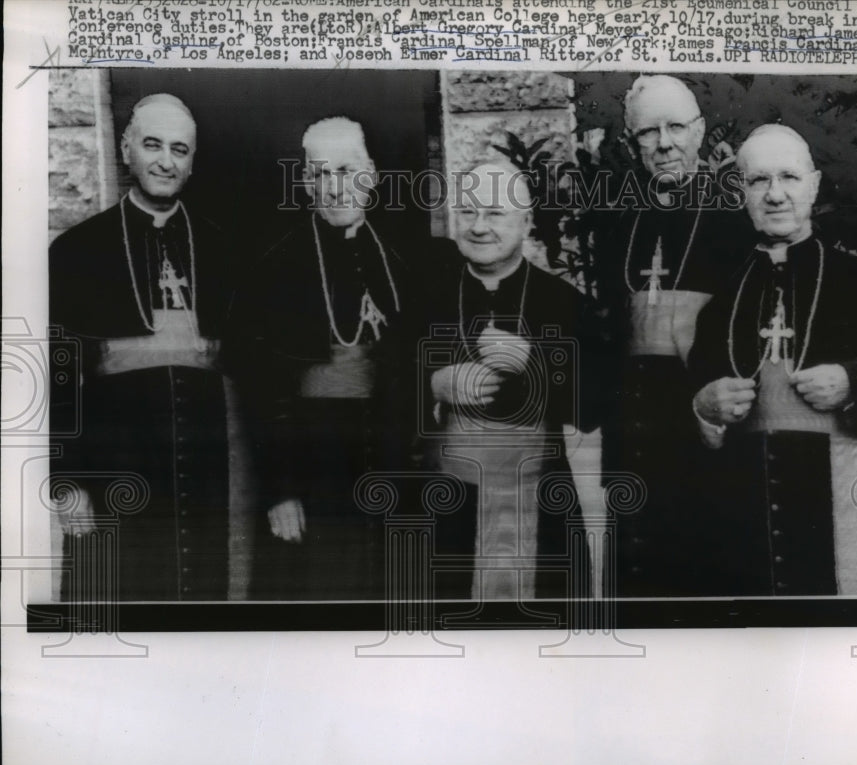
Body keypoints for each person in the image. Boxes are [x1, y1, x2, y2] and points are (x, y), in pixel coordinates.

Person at [688, 124, 857, 596]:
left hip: (850, 496)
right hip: (747, 508)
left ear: (814, 185)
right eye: (759, 181)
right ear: (741, 192)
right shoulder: (723, 303)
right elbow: (693, 401)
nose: (775, 195)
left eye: (789, 178)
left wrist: (854, 381)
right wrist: (704, 407)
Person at [49, 93, 250, 601]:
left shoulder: (224, 247)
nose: (166, 160)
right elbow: (59, 375)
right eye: (153, 145)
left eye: (180, 150)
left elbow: (247, 368)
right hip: (118, 464)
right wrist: (67, 480)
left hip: (206, 470)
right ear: (126, 149)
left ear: (192, 162)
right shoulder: (77, 251)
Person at [230, 117, 409, 600]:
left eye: (347, 171)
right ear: (306, 182)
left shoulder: (404, 259)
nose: (335, 188)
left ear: (370, 174)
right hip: (314, 467)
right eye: (321, 175)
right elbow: (260, 390)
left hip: (390, 464)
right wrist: (280, 490)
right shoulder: (274, 267)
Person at [408, 161, 601, 601]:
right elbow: (390, 385)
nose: (479, 227)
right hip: (449, 496)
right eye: (469, 212)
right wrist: (434, 388)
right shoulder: (427, 297)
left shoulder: (565, 303)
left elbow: (595, 403)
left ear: (527, 221)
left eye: (494, 213)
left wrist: (536, 363)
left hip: (541, 493)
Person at [597, 75, 754, 597]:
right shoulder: (620, 226)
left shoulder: (738, 223)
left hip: (711, 444)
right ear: (631, 142)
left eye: (676, 128)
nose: (664, 143)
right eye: (648, 132)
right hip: (639, 445)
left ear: (701, 130)